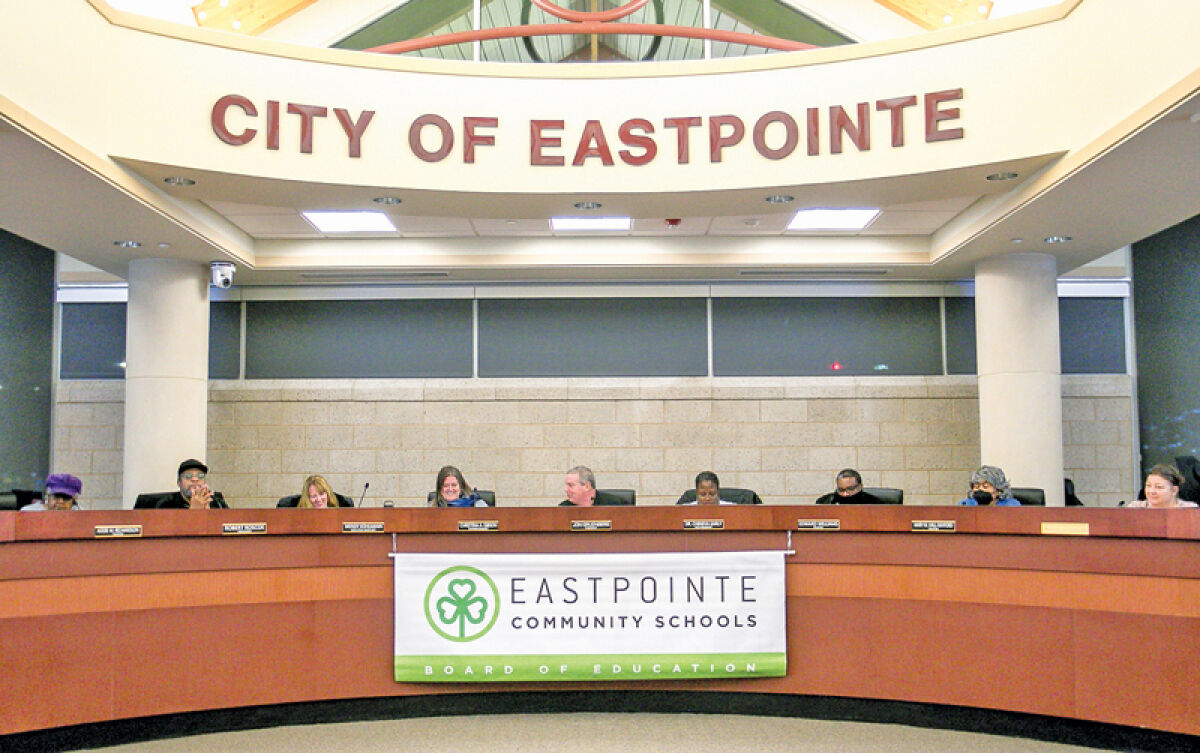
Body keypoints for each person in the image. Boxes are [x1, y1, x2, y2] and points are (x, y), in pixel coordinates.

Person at [156, 459, 229, 509]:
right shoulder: (166, 504)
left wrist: (209, 515)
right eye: (188, 476)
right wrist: (193, 512)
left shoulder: (216, 500)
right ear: (179, 482)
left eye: (200, 476)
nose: (195, 479)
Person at [1125, 464, 1198, 508]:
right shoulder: (1136, 508)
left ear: (1174, 490)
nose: (1152, 491)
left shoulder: (1188, 509)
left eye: (1159, 487)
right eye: (1148, 486)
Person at [559, 465, 624, 506]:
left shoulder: (615, 504)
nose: (566, 489)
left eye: (571, 485)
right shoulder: (564, 508)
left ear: (587, 486)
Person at [815, 469, 881, 505]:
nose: (845, 494)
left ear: (860, 487)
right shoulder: (824, 502)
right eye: (841, 490)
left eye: (850, 489)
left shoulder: (875, 503)